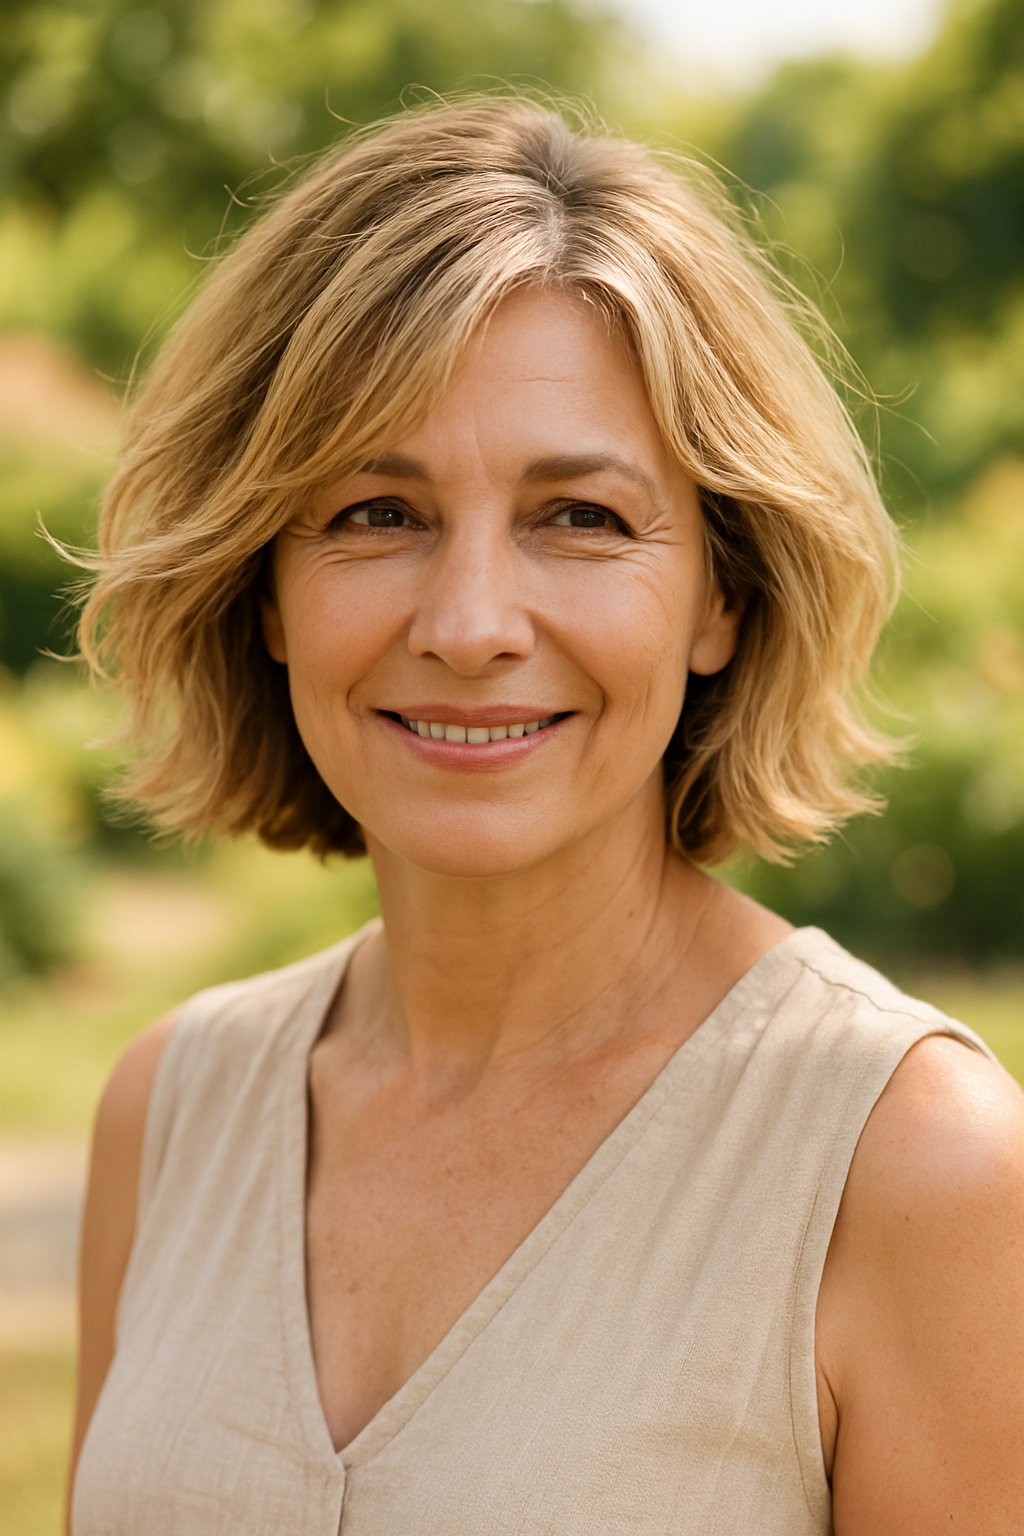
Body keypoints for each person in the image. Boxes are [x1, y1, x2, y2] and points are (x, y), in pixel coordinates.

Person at [66, 96, 1024, 1534]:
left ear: (723, 594)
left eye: (579, 516)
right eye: (374, 514)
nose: (467, 623)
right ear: (264, 586)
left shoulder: (919, 1170)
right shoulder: (170, 1111)